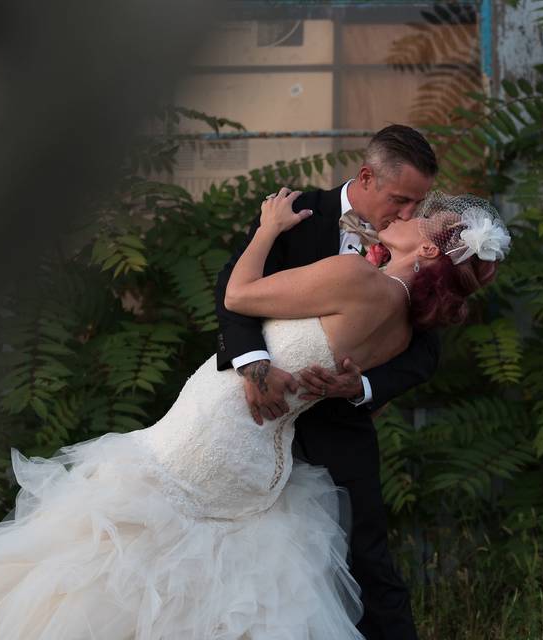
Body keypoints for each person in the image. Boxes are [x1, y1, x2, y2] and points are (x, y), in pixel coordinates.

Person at [0, 186, 510, 639]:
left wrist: (267, 228)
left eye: (423, 219)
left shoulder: (357, 277)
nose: (407, 215)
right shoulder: (401, 326)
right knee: (206, 571)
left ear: (429, 252)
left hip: (215, 428)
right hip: (265, 455)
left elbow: (238, 292)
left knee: (113, 548)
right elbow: (344, 378)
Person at [214, 124, 438, 639]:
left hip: (340, 425)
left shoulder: (417, 249)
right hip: (256, 415)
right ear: (366, 176)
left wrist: (361, 388)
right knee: (242, 551)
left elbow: (427, 352)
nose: (408, 215)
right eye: (401, 200)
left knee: (367, 559)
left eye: (418, 205)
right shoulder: (297, 214)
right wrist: (254, 364)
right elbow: (233, 289)